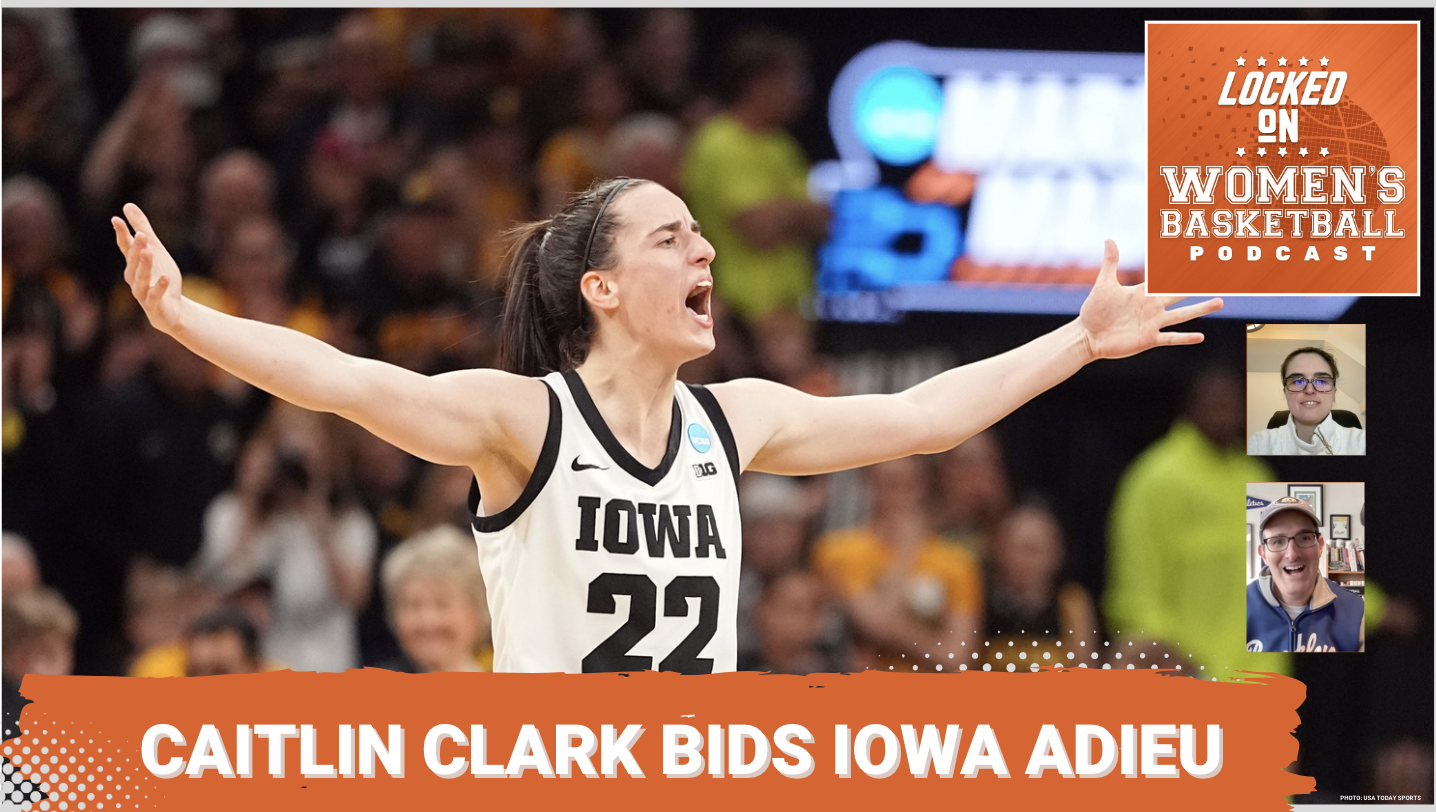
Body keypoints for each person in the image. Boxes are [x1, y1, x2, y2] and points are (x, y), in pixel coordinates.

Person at [112, 176, 1221, 673]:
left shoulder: (729, 420)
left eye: (701, 237)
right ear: (598, 288)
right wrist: (183, 317)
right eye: (671, 239)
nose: (705, 254)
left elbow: (926, 417)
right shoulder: (524, 419)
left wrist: (1076, 340)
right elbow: (339, 379)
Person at [1246, 496, 1364, 653]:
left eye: (1304, 538)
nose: (1292, 554)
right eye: (1278, 541)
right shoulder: (1235, 610)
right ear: (1264, 554)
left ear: (1320, 546)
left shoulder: (1357, 612)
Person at [1247, 346, 1365, 455]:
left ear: (1334, 392)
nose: (1309, 390)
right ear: (1285, 393)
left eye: (1321, 381)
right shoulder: (1259, 444)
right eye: (1298, 381)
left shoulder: (1362, 443)